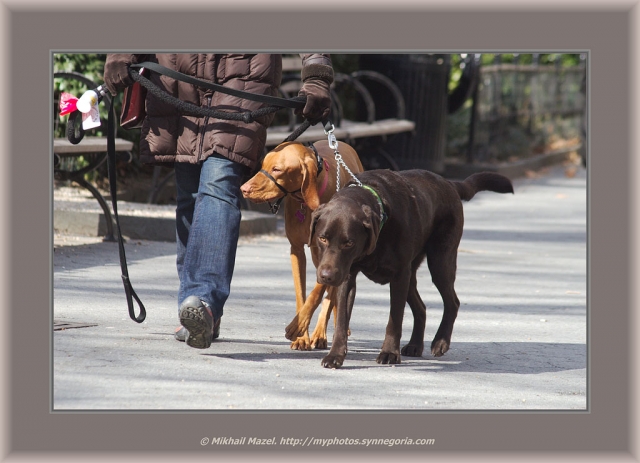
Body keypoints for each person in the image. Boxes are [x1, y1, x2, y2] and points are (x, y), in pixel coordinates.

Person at [103, 53, 334, 349]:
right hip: (179, 77)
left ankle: (204, 301)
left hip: (245, 78)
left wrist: (316, 76)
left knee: (218, 185)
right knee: (189, 196)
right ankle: (196, 309)